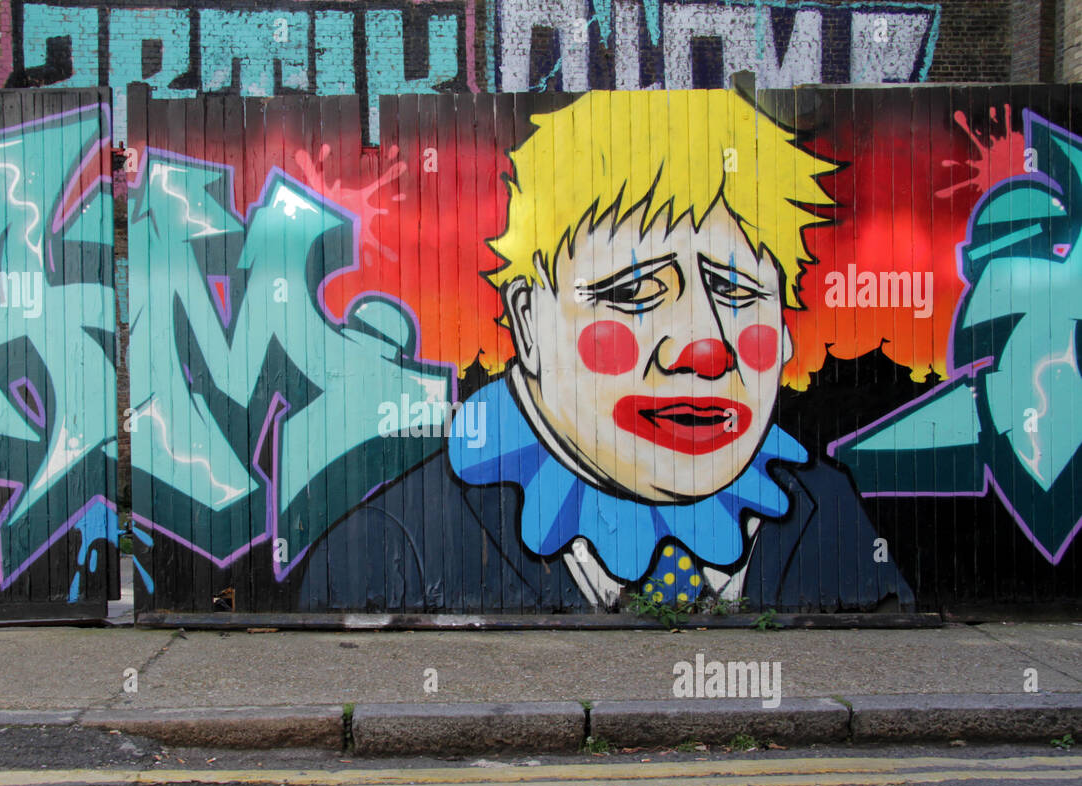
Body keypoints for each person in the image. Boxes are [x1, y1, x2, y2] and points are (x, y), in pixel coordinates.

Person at [299, 90, 914, 613]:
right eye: (635, 291)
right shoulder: (390, 550)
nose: (704, 349)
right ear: (529, 325)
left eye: (735, 289)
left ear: (783, 330)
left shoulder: (827, 509)